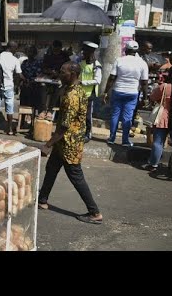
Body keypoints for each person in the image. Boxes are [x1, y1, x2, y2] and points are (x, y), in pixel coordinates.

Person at [38, 61, 103, 225]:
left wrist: (48, 144)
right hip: (65, 142)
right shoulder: (75, 89)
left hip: (69, 144)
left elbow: (64, 126)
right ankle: (42, 199)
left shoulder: (72, 96)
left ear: (72, 74)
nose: (60, 74)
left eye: (63, 72)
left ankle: (94, 212)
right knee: (51, 168)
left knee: (76, 177)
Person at [103, 40, 149, 147]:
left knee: (115, 115)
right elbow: (144, 83)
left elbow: (112, 78)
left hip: (118, 91)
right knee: (127, 117)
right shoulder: (142, 63)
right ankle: (125, 140)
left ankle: (112, 138)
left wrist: (106, 92)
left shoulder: (119, 60)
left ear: (126, 50)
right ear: (136, 50)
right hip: (132, 93)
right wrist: (145, 98)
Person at [0, 41, 22, 135]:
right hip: (9, 86)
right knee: (10, 108)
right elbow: (19, 74)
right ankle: (9, 129)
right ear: (13, 48)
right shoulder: (15, 59)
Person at [37, 40, 69, 120]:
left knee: (58, 87)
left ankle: (50, 110)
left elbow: (67, 69)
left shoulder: (65, 57)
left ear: (60, 48)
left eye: (57, 49)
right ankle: (43, 110)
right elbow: (43, 68)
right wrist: (50, 71)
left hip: (59, 78)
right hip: (48, 77)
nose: (56, 51)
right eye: (54, 49)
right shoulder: (48, 56)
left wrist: (58, 74)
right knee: (42, 86)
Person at [79, 41, 101, 143]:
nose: (83, 53)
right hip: (79, 92)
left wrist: (83, 82)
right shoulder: (81, 63)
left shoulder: (96, 65)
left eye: (85, 51)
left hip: (89, 94)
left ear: (91, 52)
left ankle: (88, 134)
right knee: (79, 114)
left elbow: (97, 80)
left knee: (88, 116)